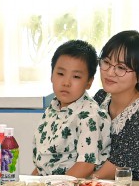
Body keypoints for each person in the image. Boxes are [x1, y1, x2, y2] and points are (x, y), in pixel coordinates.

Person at [91, 31, 139, 182]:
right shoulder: (100, 98)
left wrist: (71, 182)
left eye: (121, 67)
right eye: (106, 62)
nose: (110, 72)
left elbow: (105, 173)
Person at [32, 40, 109, 177]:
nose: (66, 83)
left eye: (76, 77)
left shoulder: (89, 115)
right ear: (51, 75)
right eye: (60, 74)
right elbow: (43, 163)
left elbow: (85, 165)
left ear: (89, 82)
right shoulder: (53, 108)